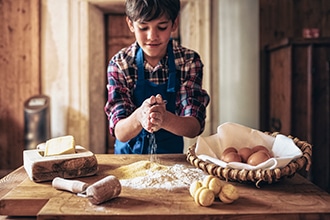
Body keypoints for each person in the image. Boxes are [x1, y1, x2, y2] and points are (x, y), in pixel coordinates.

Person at [104, 0, 210, 154]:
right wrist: (140, 116)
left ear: (174, 24)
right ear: (131, 24)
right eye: (143, 27)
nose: (152, 36)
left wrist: (164, 118)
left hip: (171, 159)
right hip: (127, 159)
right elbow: (120, 132)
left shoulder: (188, 61)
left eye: (161, 27)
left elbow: (194, 127)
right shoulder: (120, 64)